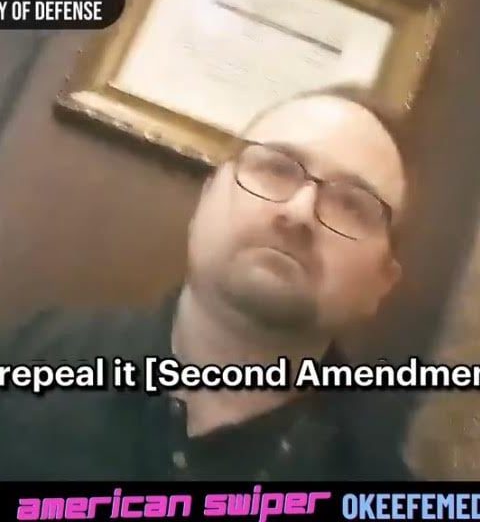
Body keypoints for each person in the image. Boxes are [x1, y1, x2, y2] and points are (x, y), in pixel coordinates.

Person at [0, 84, 412, 480]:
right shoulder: (29, 361)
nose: (299, 211)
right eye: (276, 168)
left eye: (352, 205)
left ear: (381, 283)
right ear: (206, 198)